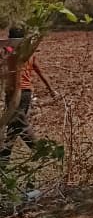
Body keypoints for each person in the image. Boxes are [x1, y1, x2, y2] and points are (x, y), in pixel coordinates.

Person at [1, 26, 54, 161]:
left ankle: (39, 151)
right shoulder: (28, 54)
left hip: (18, 92)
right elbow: (40, 72)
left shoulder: (9, 51)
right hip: (22, 92)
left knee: (19, 121)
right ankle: (4, 158)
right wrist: (51, 89)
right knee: (14, 125)